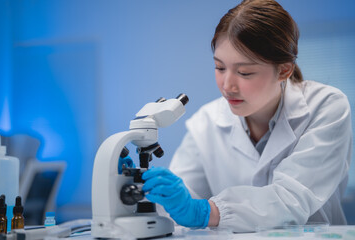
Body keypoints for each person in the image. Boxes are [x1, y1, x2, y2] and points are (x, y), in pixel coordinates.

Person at [139, 0, 352, 232]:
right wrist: (138, 186)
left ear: (284, 70)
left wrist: (206, 212)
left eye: (244, 72)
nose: (227, 86)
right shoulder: (206, 122)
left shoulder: (326, 106)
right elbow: (179, 201)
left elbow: (291, 198)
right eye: (220, 68)